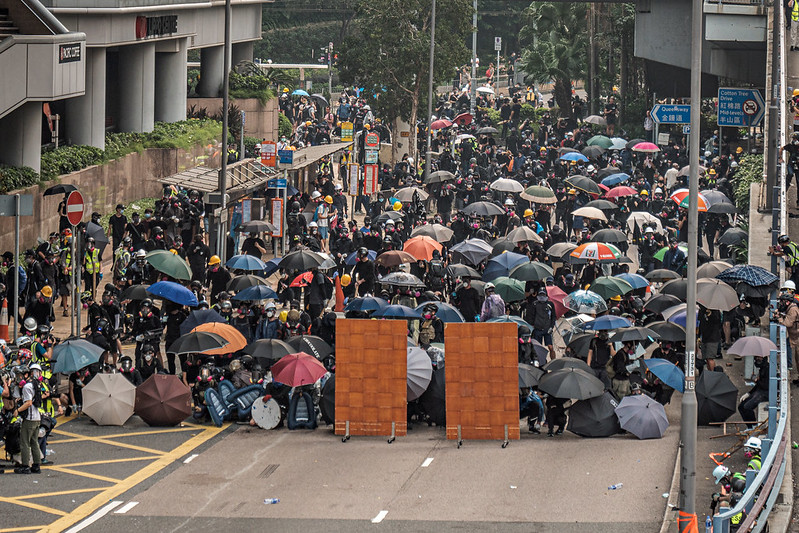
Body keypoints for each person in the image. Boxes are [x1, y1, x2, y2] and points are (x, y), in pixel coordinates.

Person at [12, 365, 41, 474]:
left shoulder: (26, 387)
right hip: (37, 417)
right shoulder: (34, 383)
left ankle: (25, 466)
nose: (18, 378)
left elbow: (28, 403)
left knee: (24, 442)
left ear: (26, 375)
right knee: (34, 442)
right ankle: (36, 465)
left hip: (30, 418)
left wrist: (18, 410)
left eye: (20, 375)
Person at [525, 288, 556, 362]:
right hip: (537, 329)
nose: (542, 296)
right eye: (540, 294)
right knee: (537, 348)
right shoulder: (534, 304)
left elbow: (553, 317)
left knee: (550, 347)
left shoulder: (550, 304)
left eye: (543, 294)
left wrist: (551, 327)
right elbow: (531, 315)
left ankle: (553, 361)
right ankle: (540, 362)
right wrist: (532, 326)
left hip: (547, 329)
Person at [738, 355, 769, 427]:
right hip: (760, 391)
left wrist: (756, 380)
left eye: (759, 357)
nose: (757, 359)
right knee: (741, 407)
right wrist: (749, 393)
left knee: (747, 407)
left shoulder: (768, 369)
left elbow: (765, 386)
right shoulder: (762, 368)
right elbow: (758, 386)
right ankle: (749, 427)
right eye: (756, 357)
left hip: (765, 393)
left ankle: (754, 425)